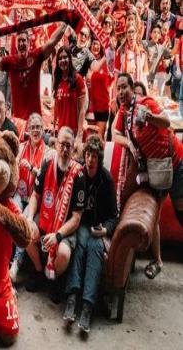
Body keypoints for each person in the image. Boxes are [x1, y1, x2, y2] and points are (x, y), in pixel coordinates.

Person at [113, 73, 183, 279]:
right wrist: (130, 144)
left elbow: (166, 122)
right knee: (155, 216)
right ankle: (158, 261)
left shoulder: (146, 102)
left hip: (176, 164)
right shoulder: (124, 113)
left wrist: (150, 117)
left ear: (132, 88)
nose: (121, 92)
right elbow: (115, 134)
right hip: (156, 171)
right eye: (118, 88)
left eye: (124, 87)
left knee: (181, 212)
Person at [63, 135, 118, 334]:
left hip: (98, 226)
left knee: (95, 248)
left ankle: (87, 306)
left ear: (99, 158)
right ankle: (72, 298)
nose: (90, 160)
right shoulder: (78, 173)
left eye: (94, 156)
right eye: (87, 155)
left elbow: (114, 216)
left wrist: (106, 230)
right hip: (81, 224)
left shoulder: (106, 179)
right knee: (80, 245)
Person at [25, 126, 85, 297]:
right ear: (56, 145)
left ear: (73, 149)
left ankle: (55, 279)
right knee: (25, 231)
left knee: (64, 253)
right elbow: (35, 195)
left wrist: (58, 236)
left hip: (64, 227)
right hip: (44, 217)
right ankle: (39, 271)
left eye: (68, 146)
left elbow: (76, 218)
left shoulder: (78, 175)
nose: (64, 149)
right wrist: (29, 218)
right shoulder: (47, 163)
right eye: (62, 144)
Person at [0, 24, 67, 120]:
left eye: (23, 40)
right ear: (15, 44)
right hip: (18, 121)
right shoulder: (10, 62)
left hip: (35, 120)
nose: (21, 44)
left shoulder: (36, 56)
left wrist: (65, 23)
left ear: (28, 42)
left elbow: (52, 41)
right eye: (19, 41)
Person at [10, 113, 50, 281]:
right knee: (11, 212)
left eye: (38, 127)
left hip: (36, 199)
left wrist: (33, 169)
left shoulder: (48, 152)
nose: (35, 131)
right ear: (27, 130)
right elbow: (13, 171)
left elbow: (47, 180)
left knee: (22, 221)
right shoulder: (21, 148)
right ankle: (6, 259)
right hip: (20, 194)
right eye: (32, 127)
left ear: (43, 130)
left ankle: (16, 263)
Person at [53, 46, 87, 141]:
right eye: (60, 58)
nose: (62, 60)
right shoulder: (57, 80)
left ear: (70, 59)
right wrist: (53, 127)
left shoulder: (78, 79)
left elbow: (82, 109)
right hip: (61, 133)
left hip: (74, 133)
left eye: (65, 57)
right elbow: (56, 106)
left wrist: (79, 135)